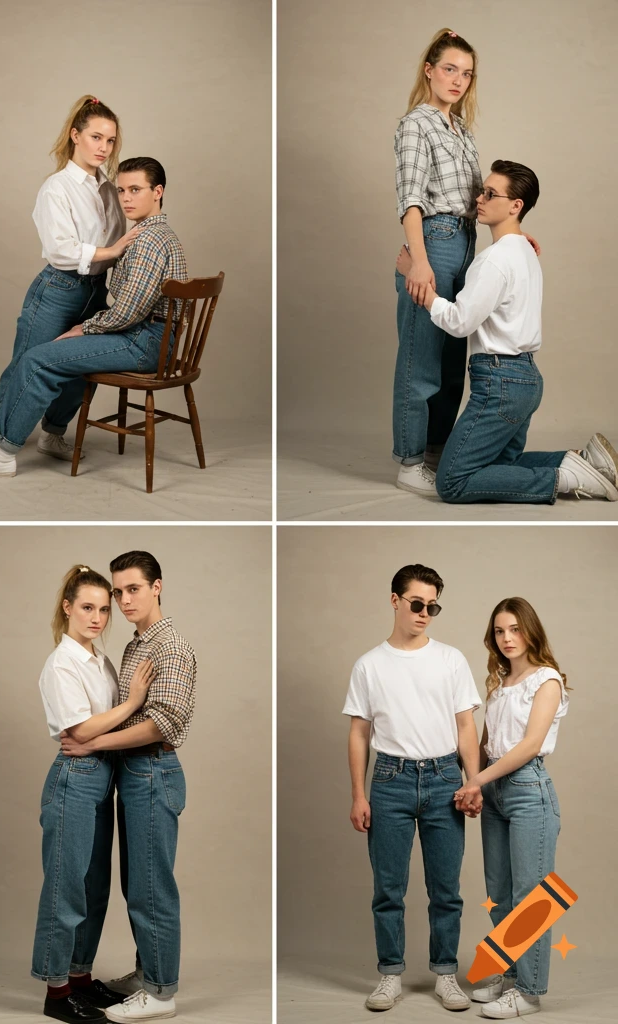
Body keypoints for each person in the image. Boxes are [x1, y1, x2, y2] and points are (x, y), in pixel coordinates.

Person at [397, 160, 618, 503]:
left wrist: (422, 287)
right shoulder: (526, 252)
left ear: (516, 206)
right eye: (480, 191)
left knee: (452, 482)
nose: (479, 200)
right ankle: (582, 462)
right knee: (504, 464)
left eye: (489, 193)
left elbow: (459, 322)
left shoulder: (495, 260)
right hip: (525, 377)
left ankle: (565, 476)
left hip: (500, 382)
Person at [0, 158, 187, 478]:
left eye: (136, 189)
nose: (126, 198)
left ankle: (1, 454)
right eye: (121, 190)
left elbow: (131, 310)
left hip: (145, 341)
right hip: (148, 337)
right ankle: (44, 436)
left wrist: (85, 327)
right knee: (65, 361)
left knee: (37, 360)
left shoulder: (148, 240)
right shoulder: (148, 233)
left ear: (157, 191)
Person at [392, 29, 541, 497]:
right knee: (422, 361)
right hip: (434, 240)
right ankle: (410, 461)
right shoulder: (417, 123)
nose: (458, 80)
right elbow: (412, 199)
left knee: (455, 358)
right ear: (430, 70)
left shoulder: (461, 129)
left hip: (465, 239)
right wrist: (418, 259)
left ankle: (438, 451)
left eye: (467, 74)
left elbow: (482, 198)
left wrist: (515, 232)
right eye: (450, 69)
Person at [0, 96, 137, 472]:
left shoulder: (108, 188)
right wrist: (111, 250)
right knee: (26, 363)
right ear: (75, 136)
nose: (103, 147)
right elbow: (61, 250)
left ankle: (53, 433)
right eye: (96, 137)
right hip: (60, 289)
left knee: (76, 368)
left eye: (111, 141)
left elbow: (116, 244)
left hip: (97, 290)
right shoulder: (57, 187)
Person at [60, 551, 196, 1023]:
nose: (122, 599)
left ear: (157, 587)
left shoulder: (170, 646)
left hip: (153, 771)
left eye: (133, 589)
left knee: (152, 888)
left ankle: (161, 993)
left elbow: (162, 722)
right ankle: (146, 973)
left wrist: (93, 742)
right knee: (134, 883)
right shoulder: (137, 644)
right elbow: (132, 709)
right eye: (117, 591)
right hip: (134, 774)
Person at [343, 564, 481, 1013]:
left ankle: (445, 974)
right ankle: (389, 975)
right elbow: (359, 733)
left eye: (433, 606)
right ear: (395, 600)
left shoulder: (451, 659)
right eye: (417, 604)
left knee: (447, 888)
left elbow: (465, 728)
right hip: (390, 781)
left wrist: (473, 781)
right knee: (388, 888)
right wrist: (359, 794)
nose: (425, 613)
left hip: (444, 779)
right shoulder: (369, 664)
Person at [33, 564, 153, 1024]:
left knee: (93, 887)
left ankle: (80, 978)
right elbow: (80, 729)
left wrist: (112, 723)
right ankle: (56, 991)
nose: (98, 617)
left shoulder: (98, 658)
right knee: (66, 886)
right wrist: (131, 703)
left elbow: (100, 730)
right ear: (67, 608)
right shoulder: (61, 663)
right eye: (88, 607)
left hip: (103, 773)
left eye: (105, 609)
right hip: (75, 778)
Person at [452, 599, 568, 1019]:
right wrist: (477, 785)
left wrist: (476, 780)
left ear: (530, 631)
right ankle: (510, 975)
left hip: (528, 792)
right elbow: (486, 744)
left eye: (515, 629)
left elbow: (530, 745)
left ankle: (530, 992)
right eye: (500, 631)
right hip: (496, 791)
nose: (507, 638)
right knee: (500, 896)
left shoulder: (547, 681)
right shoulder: (498, 684)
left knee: (530, 898)